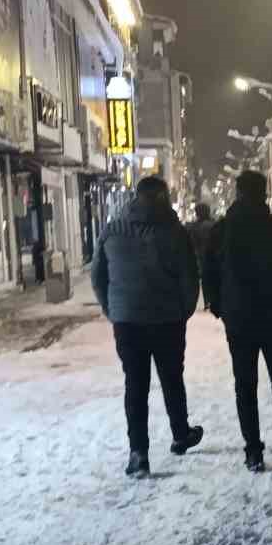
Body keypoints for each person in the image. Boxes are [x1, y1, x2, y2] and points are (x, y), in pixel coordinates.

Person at [92, 176, 203, 478]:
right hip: (167, 319)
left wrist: (112, 308)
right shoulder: (174, 232)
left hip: (127, 322)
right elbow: (190, 277)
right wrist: (184, 310)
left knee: (135, 385)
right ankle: (181, 434)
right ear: (164, 197)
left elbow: (98, 276)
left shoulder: (112, 231)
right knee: (171, 378)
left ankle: (138, 452)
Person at [203, 171, 272, 472]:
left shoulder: (221, 231)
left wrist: (219, 306)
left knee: (245, 383)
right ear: (263, 194)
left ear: (237, 193)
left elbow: (208, 272)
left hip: (238, 317)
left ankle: (253, 450)